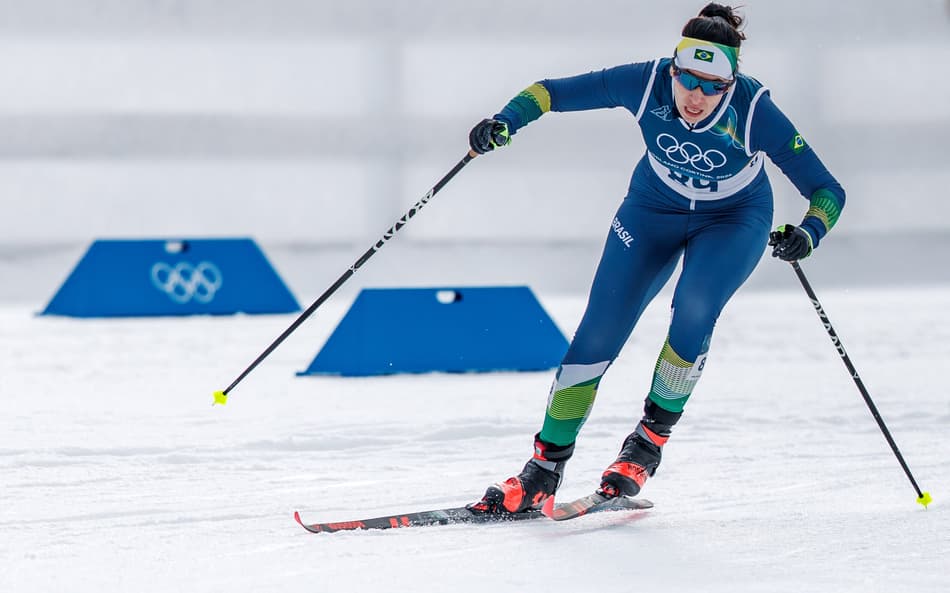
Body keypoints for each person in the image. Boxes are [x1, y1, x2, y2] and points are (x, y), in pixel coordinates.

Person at [466, 3, 846, 514]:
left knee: (692, 309)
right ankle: (543, 470)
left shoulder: (755, 110)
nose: (698, 96)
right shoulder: (643, 83)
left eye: (715, 87)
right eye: (689, 80)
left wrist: (809, 232)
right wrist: (504, 121)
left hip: (733, 219)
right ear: (673, 69)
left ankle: (646, 445)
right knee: (596, 334)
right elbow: (549, 92)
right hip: (652, 209)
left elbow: (827, 189)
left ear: (731, 86)